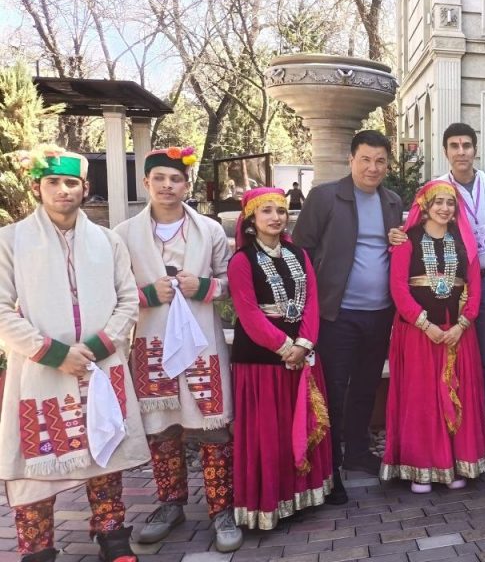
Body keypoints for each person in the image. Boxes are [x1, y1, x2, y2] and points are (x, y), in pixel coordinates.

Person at [0, 148, 150, 562]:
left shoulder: (108, 241)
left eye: (71, 182)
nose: (63, 190)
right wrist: (54, 354)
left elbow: (128, 300)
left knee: (106, 450)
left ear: (85, 188)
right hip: (40, 369)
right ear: (37, 187)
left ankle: (112, 536)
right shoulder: (10, 240)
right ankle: (38, 548)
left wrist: (99, 347)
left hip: (100, 363)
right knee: (35, 463)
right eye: (53, 182)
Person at [113, 147, 241, 552]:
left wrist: (204, 287)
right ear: (146, 183)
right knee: (161, 428)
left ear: (187, 185)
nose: (168, 186)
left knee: (213, 427)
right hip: (152, 341)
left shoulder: (210, 230)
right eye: (160, 179)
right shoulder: (123, 235)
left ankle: (222, 510)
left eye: (175, 179)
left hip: (201, 340)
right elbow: (114, 292)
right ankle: (171, 504)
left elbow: (231, 281)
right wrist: (147, 295)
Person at [292, 130, 402, 503]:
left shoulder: (392, 201)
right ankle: (331, 465)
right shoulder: (325, 197)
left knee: (366, 385)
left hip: (380, 313)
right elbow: (302, 252)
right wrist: (305, 310)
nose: (373, 167)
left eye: (380, 161)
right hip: (336, 314)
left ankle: (357, 450)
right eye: (365, 159)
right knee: (334, 389)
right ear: (351, 159)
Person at [227, 188, 332, 530]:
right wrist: (287, 348)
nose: (276, 217)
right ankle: (271, 501)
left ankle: (302, 495)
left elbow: (312, 301)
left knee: (299, 424)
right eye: (267, 211)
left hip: (301, 352)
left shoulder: (298, 254)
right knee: (269, 433)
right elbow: (248, 314)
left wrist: (304, 344)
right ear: (251, 219)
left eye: (281, 211)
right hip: (262, 360)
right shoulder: (241, 260)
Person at [388, 123, 485, 409]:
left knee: (484, 362)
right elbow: (416, 226)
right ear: (445, 152)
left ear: (475, 150)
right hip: (449, 288)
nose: (461, 151)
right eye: (454, 146)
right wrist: (397, 235)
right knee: (441, 364)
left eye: (466, 145)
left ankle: (475, 420)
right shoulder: (436, 188)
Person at [380, 179, 485, 492]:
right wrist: (425, 325)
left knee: (457, 396)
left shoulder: (464, 241)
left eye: (450, 203)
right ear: (425, 207)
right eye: (438, 202)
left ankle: (454, 463)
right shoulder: (407, 240)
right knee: (422, 399)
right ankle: (421, 468)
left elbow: (475, 289)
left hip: (457, 334)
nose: (444, 208)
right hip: (418, 335)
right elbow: (398, 288)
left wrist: (462, 325)